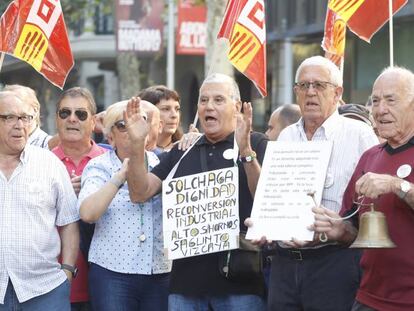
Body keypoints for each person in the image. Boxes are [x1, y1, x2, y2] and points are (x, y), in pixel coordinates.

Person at [126, 73, 268, 310]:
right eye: (203, 100)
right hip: (186, 287)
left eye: (218, 100)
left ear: (236, 107)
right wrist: (137, 144)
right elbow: (140, 192)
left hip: (241, 284)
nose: (209, 106)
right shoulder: (183, 151)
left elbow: (264, 199)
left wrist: (246, 151)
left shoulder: (257, 143)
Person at [259, 56, 378, 311]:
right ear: (295, 92)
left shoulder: (360, 135)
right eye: (303, 86)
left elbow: (376, 207)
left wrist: (345, 227)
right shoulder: (287, 136)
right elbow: (275, 193)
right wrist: (264, 222)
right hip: (283, 267)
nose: (310, 92)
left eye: (319, 85)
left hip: (334, 263)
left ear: (337, 93)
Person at [312, 66, 414, 311]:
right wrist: (339, 230)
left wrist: (396, 184)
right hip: (368, 297)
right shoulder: (369, 157)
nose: (380, 110)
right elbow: (354, 231)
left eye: (391, 100)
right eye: (375, 101)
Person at [78, 100, 171, 311]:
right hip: (112, 273)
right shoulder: (99, 166)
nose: (132, 128)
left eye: (139, 121)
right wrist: (120, 176)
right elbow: (88, 213)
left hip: (159, 272)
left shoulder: (163, 164)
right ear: (110, 137)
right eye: (123, 124)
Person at [0, 91, 79, 310]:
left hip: (45, 290)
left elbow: (70, 221)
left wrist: (67, 272)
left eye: (25, 118)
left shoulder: (48, 163)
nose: (19, 125)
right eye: (9, 117)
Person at [52, 87, 107, 311]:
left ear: (93, 122)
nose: (72, 119)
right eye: (65, 113)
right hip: (51, 283)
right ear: (57, 119)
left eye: (81, 114)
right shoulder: (40, 163)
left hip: (105, 283)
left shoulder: (110, 163)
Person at [4, 84, 55, 149]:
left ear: (35, 111)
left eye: (23, 116)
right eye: (10, 117)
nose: (17, 124)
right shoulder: (5, 144)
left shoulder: (49, 146)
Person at [138, 85, 183, 152]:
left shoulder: (184, 149)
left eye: (177, 109)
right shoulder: (131, 151)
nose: (174, 115)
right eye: (166, 109)